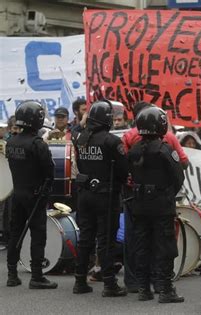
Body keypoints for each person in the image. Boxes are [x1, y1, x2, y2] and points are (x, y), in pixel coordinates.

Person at [128, 106, 185, 302]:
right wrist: (167, 195)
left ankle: (144, 288)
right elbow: (178, 177)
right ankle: (166, 289)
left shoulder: (134, 149)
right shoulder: (164, 149)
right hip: (161, 205)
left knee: (142, 246)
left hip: (140, 204)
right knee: (165, 246)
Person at [72, 100, 128, 297]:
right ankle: (110, 284)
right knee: (106, 240)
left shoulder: (80, 138)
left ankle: (79, 280)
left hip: (85, 194)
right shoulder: (112, 141)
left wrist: (82, 122)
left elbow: (75, 131)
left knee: (85, 238)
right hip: (106, 195)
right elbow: (123, 170)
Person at [5, 100, 58, 289]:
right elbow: (49, 171)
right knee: (38, 235)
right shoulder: (38, 145)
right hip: (35, 195)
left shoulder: (10, 142)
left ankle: (12, 274)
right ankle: (36, 276)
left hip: (17, 194)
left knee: (15, 233)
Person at [122, 101, 189, 168]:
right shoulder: (169, 136)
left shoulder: (128, 136)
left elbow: (124, 162)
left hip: (137, 178)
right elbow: (184, 162)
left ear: (135, 118)